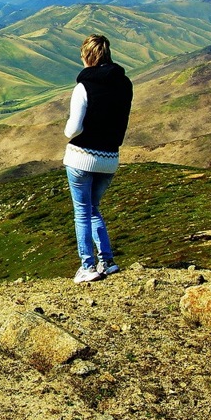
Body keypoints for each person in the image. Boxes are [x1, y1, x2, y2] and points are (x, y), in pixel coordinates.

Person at [63, 34, 133, 284]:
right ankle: (108, 262)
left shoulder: (83, 87)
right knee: (93, 209)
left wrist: (66, 132)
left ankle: (87, 266)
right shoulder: (125, 84)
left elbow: (73, 129)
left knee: (82, 212)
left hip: (82, 157)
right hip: (110, 158)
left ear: (87, 56)